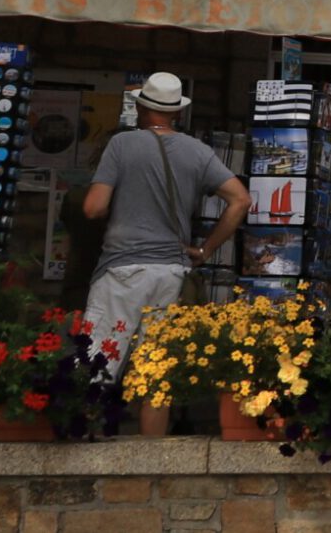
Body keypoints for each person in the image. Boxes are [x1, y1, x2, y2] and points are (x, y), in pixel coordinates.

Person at [81, 73, 249, 435]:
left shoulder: (122, 145)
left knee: (98, 365)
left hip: (123, 270)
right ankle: (151, 460)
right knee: (154, 376)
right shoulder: (198, 151)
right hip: (171, 272)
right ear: (177, 112)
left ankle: (83, 447)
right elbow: (240, 200)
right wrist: (205, 249)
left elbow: (93, 208)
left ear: (142, 107)